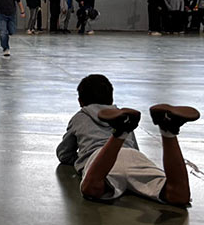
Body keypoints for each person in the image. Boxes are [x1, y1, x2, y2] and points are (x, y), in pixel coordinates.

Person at [57, 74, 199, 207]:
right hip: (132, 155)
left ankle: (118, 134)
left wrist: (80, 160)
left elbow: (64, 153)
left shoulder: (80, 117)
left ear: (80, 101)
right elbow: (135, 149)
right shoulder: (125, 117)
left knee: (92, 188)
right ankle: (168, 132)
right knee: (178, 195)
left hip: (100, 159)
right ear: (111, 99)